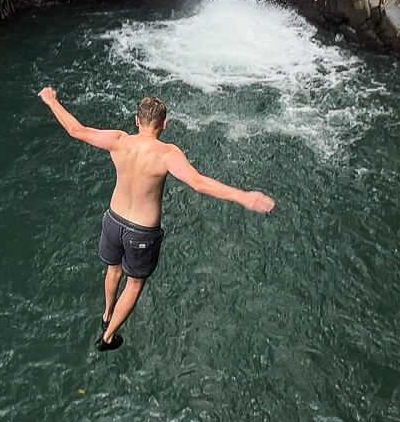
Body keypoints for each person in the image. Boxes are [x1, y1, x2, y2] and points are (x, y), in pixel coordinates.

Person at [37, 87, 275, 352]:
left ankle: (106, 315)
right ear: (164, 124)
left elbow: (76, 130)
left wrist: (51, 100)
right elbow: (198, 183)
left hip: (113, 221)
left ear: (137, 121)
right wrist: (244, 197)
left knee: (113, 269)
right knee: (135, 282)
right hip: (141, 232)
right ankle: (107, 338)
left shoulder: (119, 140)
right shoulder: (167, 154)